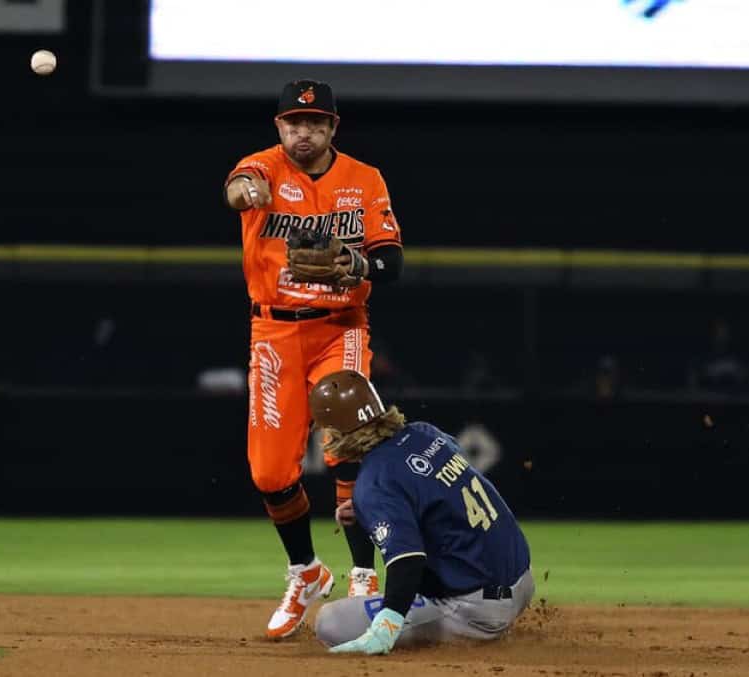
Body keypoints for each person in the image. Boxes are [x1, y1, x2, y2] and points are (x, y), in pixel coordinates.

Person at [223, 80, 405, 639]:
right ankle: (305, 571)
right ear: (279, 127)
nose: (304, 132)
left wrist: (357, 266)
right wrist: (248, 192)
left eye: (316, 124)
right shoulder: (263, 167)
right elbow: (238, 187)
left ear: (332, 128)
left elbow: (391, 261)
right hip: (273, 330)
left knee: (347, 442)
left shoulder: (363, 178)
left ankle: (363, 574)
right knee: (270, 473)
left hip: (339, 326)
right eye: (295, 123)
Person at [308, 370, 534, 655]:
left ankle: (466, 627)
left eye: (327, 429)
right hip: (522, 580)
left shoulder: (374, 481)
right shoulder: (425, 433)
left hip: (478, 610)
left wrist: (386, 627)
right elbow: (439, 491)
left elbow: (408, 562)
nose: (325, 437)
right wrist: (380, 507)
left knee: (330, 621)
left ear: (340, 431)